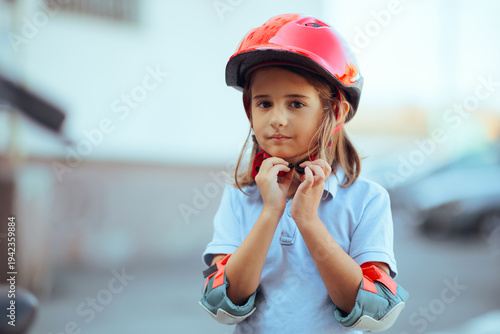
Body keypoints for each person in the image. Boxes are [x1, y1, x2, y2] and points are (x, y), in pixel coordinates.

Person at [199, 14, 408, 333]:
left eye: (296, 104)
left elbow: (374, 312)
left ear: (335, 111)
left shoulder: (367, 200)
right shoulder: (239, 198)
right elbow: (225, 303)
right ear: (249, 110)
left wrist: (308, 220)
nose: (277, 119)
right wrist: (271, 211)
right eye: (264, 103)